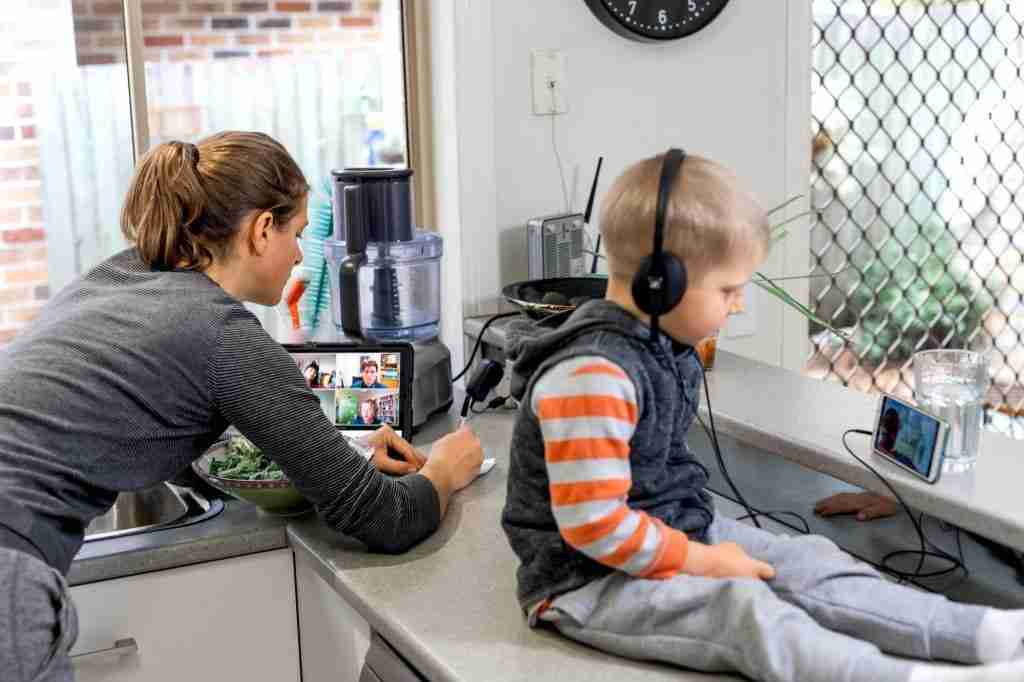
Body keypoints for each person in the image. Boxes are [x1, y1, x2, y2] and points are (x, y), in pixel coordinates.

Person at [500, 150, 1024, 682]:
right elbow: (595, 527)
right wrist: (705, 563)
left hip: (673, 532)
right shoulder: (593, 377)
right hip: (587, 582)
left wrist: (702, 550)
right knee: (742, 611)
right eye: (729, 289)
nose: (740, 304)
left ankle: (984, 634)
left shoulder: (657, 346)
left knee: (809, 561)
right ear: (664, 283)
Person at [0, 131, 483, 682]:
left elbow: (163, 422)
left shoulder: (119, 276)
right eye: (296, 234)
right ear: (260, 231)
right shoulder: (225, 336)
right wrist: (445, 469)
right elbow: (384, 519)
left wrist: (339, 454)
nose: (300, 255)